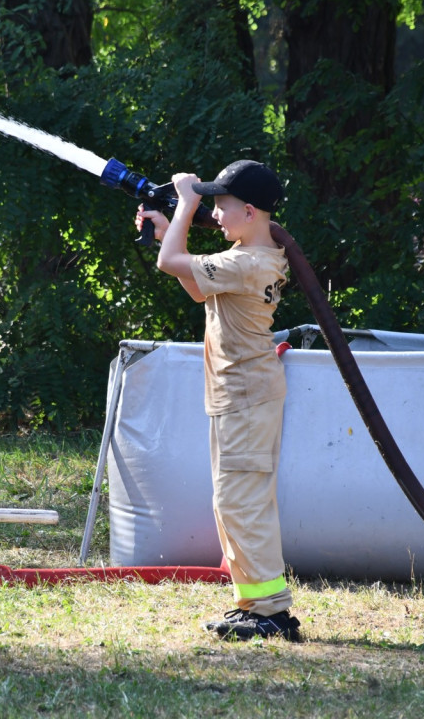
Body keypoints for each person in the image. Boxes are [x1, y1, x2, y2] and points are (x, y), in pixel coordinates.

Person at [135, 160, 301, 642]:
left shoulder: (245, 262)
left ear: (248, 211)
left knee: (241, 503)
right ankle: (256, 604)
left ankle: (269, 611)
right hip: (243, 395)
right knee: (235, 502)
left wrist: (185, 203)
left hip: (245, 396)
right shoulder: (255, 256)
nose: (215, 213)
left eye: (220, 206)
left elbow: (170, 263)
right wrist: (172, 227)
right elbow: (195, 287)